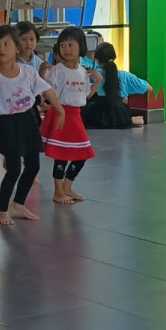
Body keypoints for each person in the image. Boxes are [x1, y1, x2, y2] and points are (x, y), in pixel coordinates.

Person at [0, 24, 63, 225]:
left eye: (6, 44)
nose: (1, 49)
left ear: (16, 48)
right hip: (8, 125)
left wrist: (60, 110)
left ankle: (18, 204)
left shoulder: (28, 72)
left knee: (33, 166)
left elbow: (47, 90)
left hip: (28, 121)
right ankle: (2, 210)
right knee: (13, 170)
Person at [43, 26, 102, 205]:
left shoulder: (82, 71)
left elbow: (85, 95)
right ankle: (58, 191)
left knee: (82, 154)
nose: (66, 49)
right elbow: (47, 91)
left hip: (76, 116)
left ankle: (67, 187)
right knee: (61, 155)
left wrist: (98, 81)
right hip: (61, 114)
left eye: (71, 45)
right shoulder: (57, 71)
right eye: (63, 45)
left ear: (81, 47)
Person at [82, 42, 152, 129]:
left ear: (97, 60)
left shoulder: (95, 75)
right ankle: (132, 120)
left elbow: (87, 95)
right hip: (121, 113)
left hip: (99, 115)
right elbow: (149, 89)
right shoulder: (126, 76)